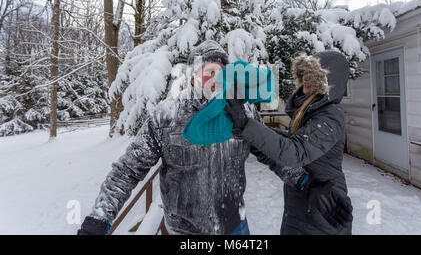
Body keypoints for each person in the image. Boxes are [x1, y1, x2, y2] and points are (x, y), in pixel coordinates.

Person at [78, 43, 351, 235]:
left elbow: (271, 154)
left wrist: (305, 183)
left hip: (235, 227)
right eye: (208, 72)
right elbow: (128, 169)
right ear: (193, 76)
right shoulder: (167, 116)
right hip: (185, 231)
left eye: (222, 73)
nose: (215, 79)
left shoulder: (241, 111)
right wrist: (100, 216)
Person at [225, 51, 353, 235]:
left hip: (324, 206)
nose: (307, 78)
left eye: (314, 74)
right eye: (305, 73)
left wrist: (246, 125)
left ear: (329, 81)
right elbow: (284, 144)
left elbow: (293, 153)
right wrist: (247, 130)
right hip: (302, 203)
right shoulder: (309, 112)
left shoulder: (331, 115)